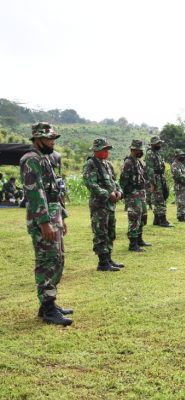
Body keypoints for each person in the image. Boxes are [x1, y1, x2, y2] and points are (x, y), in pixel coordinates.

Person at [20, 122, 72, 326]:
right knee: (47, 261)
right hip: (44, 220)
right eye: (49, 138)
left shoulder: (45, 159)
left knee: (57, 258)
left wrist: (62, 217)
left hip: (54, 217)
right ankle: (48, 308)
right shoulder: (30, 159)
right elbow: (35, 193)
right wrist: (44, 223)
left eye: (53, 138)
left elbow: (53, 191)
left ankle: (48, 304)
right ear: (38, 139)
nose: (52, 141)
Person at [82, 138, 123, 272]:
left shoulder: (107, 164)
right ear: (96, 150)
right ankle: (103, 262)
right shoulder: (91, 164)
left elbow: (114, 181)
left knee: (110, 231)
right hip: (99, 204)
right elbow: (91, 184)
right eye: (104, 149)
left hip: (110, 205)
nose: (106, 152)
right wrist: (107, 194)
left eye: (107, 149)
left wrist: (118, 192)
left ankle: (109, 258)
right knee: (101, 232)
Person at [120, 139, 151, 252]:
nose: (141, 152)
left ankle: (139, 239)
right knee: (134, 217)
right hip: (133, 194)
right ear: (133, 149)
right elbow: (123, 180)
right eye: (139, 150)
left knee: (142, 216)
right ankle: (132, 244)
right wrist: (127, 194)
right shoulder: (128, 162)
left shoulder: (138, 162)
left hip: (141, 193)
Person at [145, 136, 173, 227]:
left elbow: (162, 166)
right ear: (152, 144)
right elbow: (149, 170)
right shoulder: (149, 154)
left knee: (161, 197)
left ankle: (156, 220)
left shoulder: (158, 153)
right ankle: (163, 220)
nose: (159, 145)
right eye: (157, 143)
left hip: (161, 178)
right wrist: (153, 183)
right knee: (159, 199)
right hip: (155, 178)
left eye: (159, 143)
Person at [171, 149, 185, 222]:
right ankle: (180, 217)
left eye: (183, 155)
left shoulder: (181, 165)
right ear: (177, 156)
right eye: (181, 155)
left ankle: (182, 216)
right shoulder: (174, 165)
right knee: (181, 202)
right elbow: (179, 176)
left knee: (184, 202)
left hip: (184, 186)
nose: (183, 157)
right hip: (179, 187)